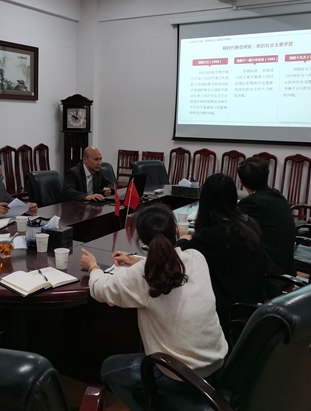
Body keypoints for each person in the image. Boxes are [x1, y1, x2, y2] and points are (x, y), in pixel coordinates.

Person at [81, 206, 228, 411]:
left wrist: (93, 267)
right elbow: (170, 263)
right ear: (175, 231)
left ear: (141, 240)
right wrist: (137, 260)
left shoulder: (145, 274)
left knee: (108, 369)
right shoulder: (196, 257)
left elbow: (100, 289)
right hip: (217, 364)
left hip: (179, 375)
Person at [177, 173, 265, 330]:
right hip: (251, 305)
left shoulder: (215, 235)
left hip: (227, 312)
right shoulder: (246, 224)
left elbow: (185, 253)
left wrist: (184, 239)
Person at [237, 157, 297, 278]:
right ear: (268, 177)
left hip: (270, 272)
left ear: (241, 182)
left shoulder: (250, 204)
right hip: (285, 266)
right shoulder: (278, 196)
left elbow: (233, 229)